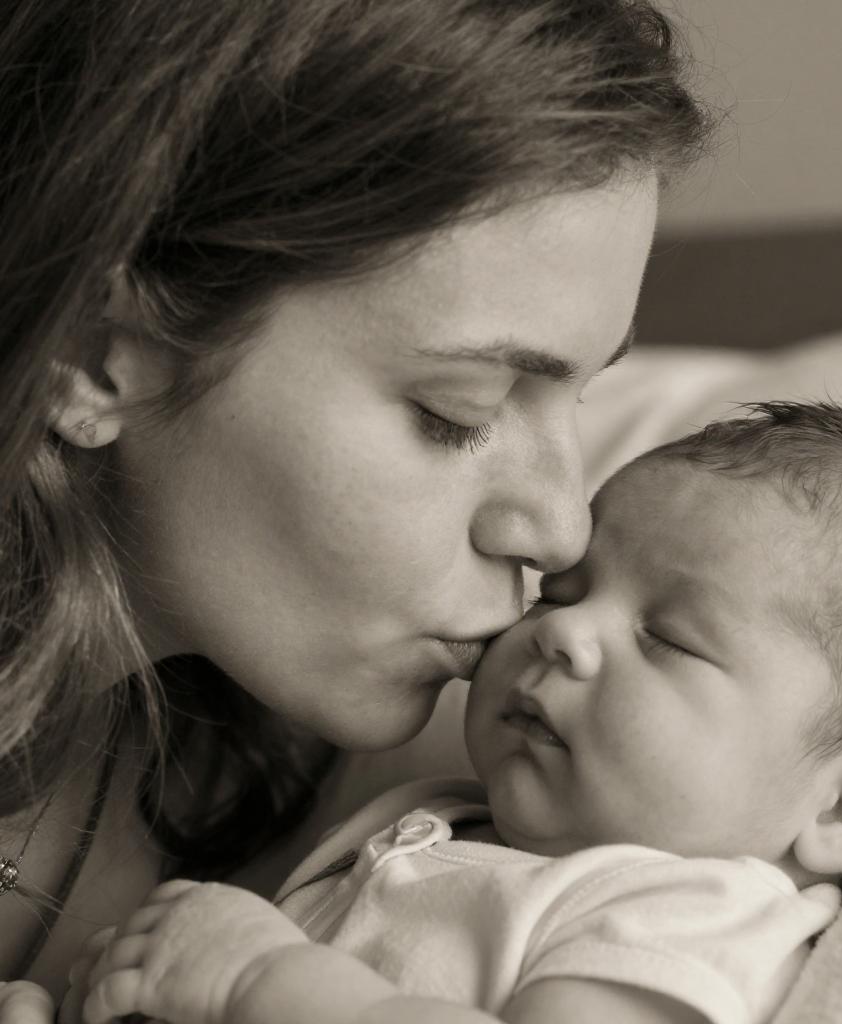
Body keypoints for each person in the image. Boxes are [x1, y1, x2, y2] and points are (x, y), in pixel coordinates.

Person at [0, 1, 711, 1016]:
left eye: (583, 396)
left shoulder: (400, 807)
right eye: (458, 412)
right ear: (93, 354)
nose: (561, 532)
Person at [71, 400, 842, 1024]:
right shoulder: (440, 817)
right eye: (561, 593)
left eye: (669, 639)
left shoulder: (688, 916)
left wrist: (260, 982)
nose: (560, 634)